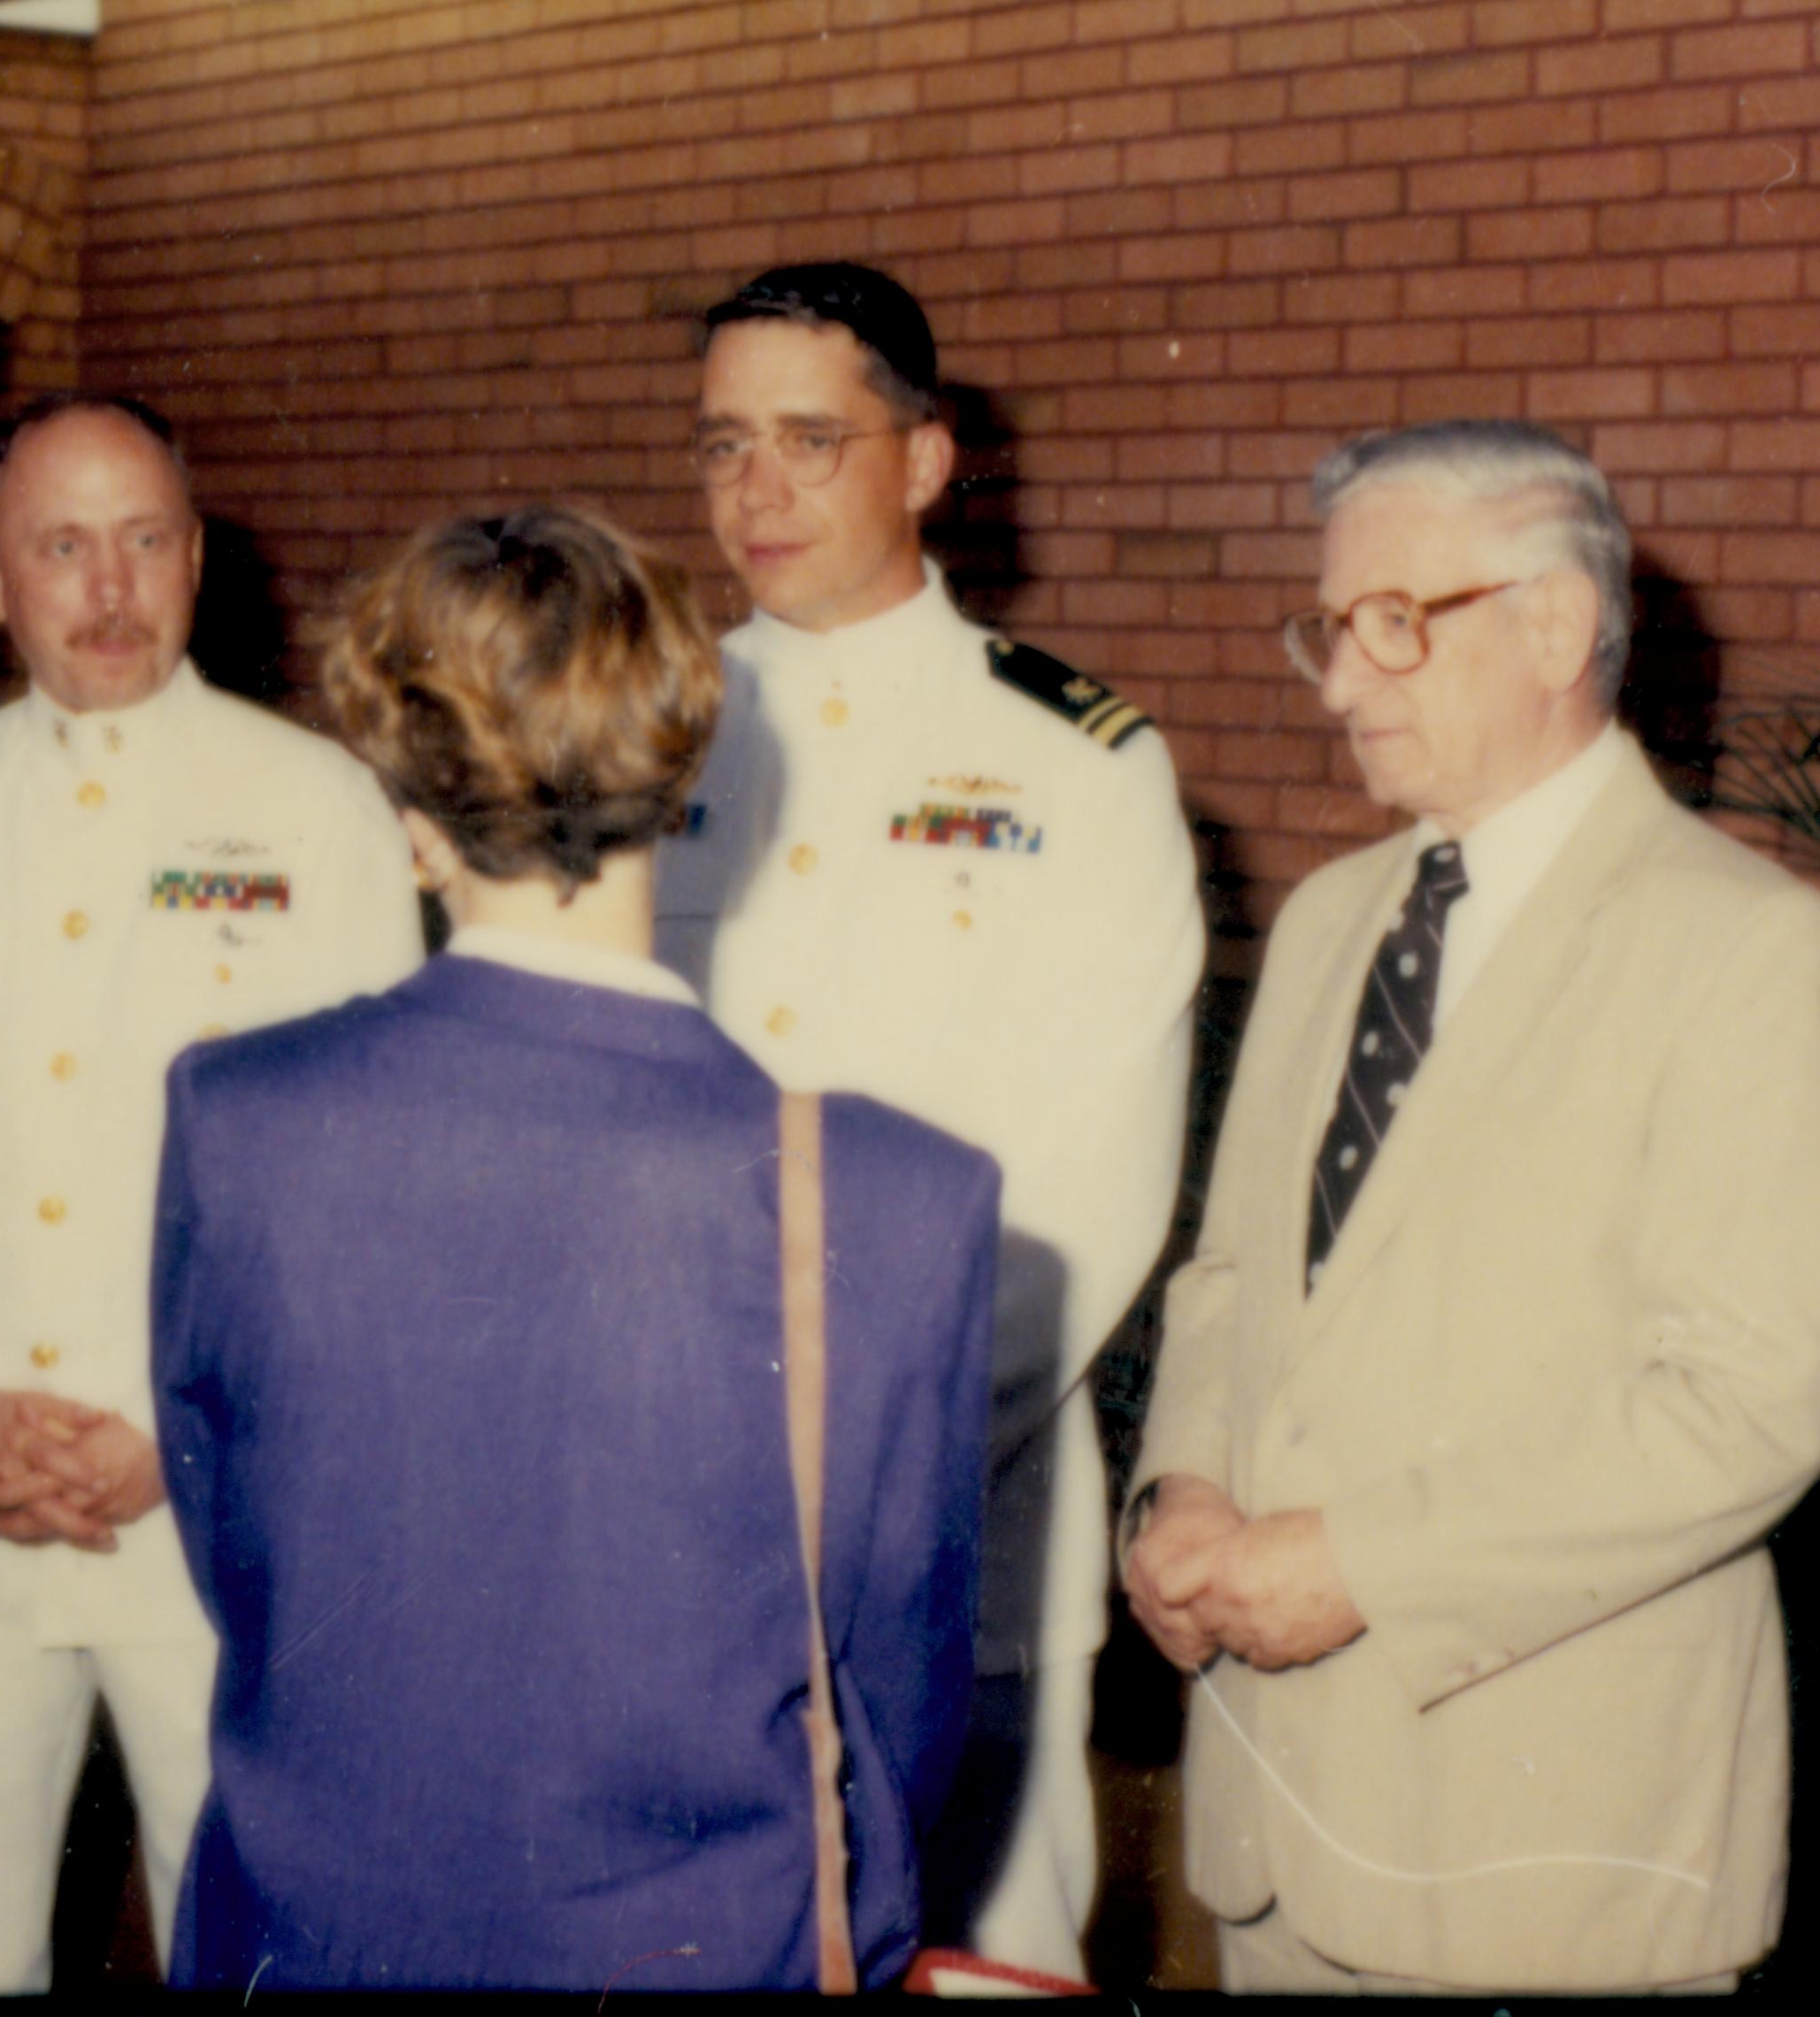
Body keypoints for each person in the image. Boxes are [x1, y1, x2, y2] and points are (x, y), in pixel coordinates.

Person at [152, 503, 999, 1991]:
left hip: (323, 1934)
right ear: (680, 786)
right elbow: (902, 1716)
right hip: (704, 1953)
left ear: (410, 818)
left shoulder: (243, 1120)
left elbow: (245, 1560)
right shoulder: (898, 1191)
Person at [1120, 420, 1820, 1994]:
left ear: (1556, 624)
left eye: (1394, 624)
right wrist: (1180, 1488)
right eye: (1330, 631)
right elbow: (1232, 1278)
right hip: (1273, 1831)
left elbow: (1749, 1405)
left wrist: (1368, 1566)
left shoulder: (1746, 950)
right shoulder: (1332, 922)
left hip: (1551, 1855)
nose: (1339, 683)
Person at [0, 394, 424, 1991]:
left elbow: (358, 1165)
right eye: (65, 548)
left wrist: (167, 1419)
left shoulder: (318, 810)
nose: (111, 590)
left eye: (145, 543)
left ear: (197, 561)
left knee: (245, 1933)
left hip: (213, 1484)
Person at [657, 263, 1204, 1979]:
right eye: (725, 443)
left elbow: (1091, 1190)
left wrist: (874, 1454)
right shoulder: (636, 726)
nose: (759, 490)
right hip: (667, 1501)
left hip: (958, 1508)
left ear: (928, 459)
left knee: (979, 1960)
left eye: (812, 441)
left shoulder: (1075, 764)